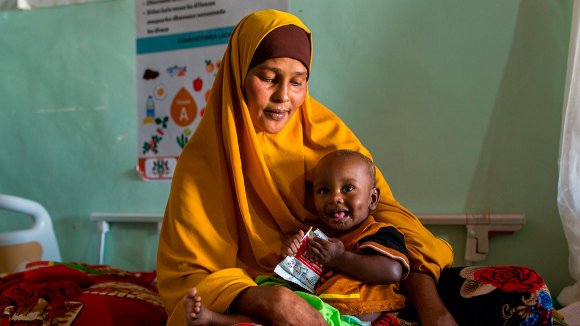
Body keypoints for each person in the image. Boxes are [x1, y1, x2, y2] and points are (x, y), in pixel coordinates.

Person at [157, 8, 457, 326]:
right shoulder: (203, 160)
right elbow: (186, 278)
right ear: (239, 73)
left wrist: (434, 311)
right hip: (256, 289)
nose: (283, 96)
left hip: (343, 284)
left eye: (298, 82)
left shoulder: (328, 137)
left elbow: (392, 223)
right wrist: (269, 299)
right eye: (268, 78)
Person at [281, 149, 410, 324]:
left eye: (347, 188)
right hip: (324, 317)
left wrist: (341, 258)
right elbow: (304, 285)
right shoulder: (319, 238)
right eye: (324, 191)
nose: (335, 198)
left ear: (372, 199)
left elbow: (392, 271)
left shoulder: (379, 231)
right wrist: (292, 257)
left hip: (372, 319)